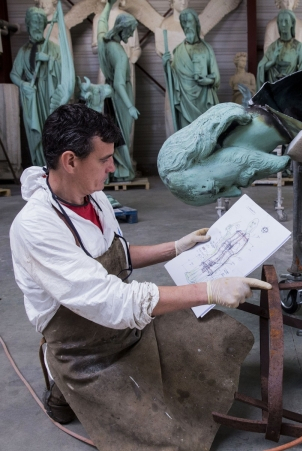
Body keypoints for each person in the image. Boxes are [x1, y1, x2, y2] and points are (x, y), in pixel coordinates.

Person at [10, 103, 271, 451]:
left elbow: (114, 255)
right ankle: (61, 380)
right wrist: (209, 289)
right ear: (70, 161)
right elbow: (112, 300)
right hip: (86, 350)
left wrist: (176, 247)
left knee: (221, 336)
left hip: (125, 328)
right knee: (169, 440)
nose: (112, 167)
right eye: (103, 159)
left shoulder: (95, 197)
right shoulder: (36, 227)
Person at [10, 7, 67, 167]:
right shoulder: (23, 51)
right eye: (34, 22)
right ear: (28, 25)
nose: (37, 26)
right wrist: (23, 84)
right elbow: (14, 74)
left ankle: (54, 167)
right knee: (37, 134)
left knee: (53, 130)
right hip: (32, 97)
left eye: (40, 22)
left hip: (49, 95)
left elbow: (64, 72)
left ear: (44, 26)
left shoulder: (54, 48)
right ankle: (40, 166)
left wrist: (49, 60)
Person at [97, 0, 138, 181]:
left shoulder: (105, 42)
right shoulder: (120, 54)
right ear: (121, 28)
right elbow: (121, 84)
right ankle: (122, 170)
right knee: (122, 133)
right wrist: (130, 106)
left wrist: (108, 5)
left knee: (113, 130)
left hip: (110, 94)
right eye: (129, 31)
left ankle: (114, 171)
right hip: (121, 97)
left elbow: (101, 24)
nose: (131, 35)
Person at [162, 7, 220, 131]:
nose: (187, 26)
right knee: (187, 134)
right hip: (185, 103)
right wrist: (166, 65)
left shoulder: (207, 49)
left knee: (206, 133)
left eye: (189, 21)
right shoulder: (178, 51)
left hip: (204, 100)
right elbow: (174, 79)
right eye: (184, 23)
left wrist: (208, 81)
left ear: (196, 23)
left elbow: (216, 77)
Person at [257, 9, 302, 88]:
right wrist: (272, 62)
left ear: (292, 23)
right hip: (274, 89)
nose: (283, 24)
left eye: (286, 21)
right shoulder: (273, 47)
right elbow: (261, 68)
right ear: (278, 24)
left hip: (291, 88)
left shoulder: (298, 46)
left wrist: (292, 77)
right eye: (281, 21)